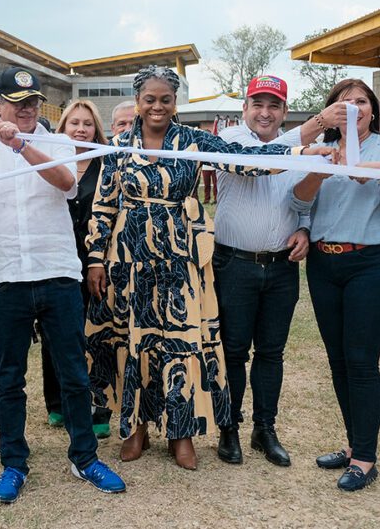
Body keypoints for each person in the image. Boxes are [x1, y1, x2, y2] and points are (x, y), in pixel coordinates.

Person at [83, 66, 334, 471]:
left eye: (166, 99)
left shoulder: (193, 140)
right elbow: (104, 204)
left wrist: (299, 154)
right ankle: (137, 427)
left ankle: (180, 433)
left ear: (175, 102)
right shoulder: (118, 145)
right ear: (138, 102)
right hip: (130, 259)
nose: (158, 106)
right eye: (150, 99)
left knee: (181, 343)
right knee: (135, 342)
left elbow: (244, 160)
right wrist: (96, 257)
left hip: (179, 259)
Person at [0, 66, 127, 504]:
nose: (26, 109)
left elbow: (66, 182)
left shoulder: (58, 143)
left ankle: (85, 457)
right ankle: (14, 463)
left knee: (74, 374)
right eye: (16, 104)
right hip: (6, 278)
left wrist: (20, 145)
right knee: (9, 378)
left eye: (32, 102)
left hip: (57, 273)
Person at [291, 78, 380, 491]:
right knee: (338, 360)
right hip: (324, 263)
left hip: (374, 261)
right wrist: (318, 173)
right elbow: (298, 203)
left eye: (361, 101)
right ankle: (352, 445)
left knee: (361, 360)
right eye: (344, 102)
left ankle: (365, 458)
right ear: (331, 110)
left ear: (373, 109)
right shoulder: (319, 148)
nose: (353, 108)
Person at [212, 75, 345, 467]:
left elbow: (301, 198)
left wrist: (303, 227)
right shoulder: (232, 139)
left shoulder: (298, 150)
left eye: (274, 106)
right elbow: (261, 159)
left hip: (281, 267)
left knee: (271, 351)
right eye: (258, 104)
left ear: (285, 112)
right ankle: (229, 428)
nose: (265, 113)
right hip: (235, 264)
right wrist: (319, 123)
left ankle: (264, 428)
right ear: (244, 109)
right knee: (233, 351)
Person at [55, 99, 112, 439]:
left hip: (96, 260)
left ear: (96, 130)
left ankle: (101, 405)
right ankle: (59, 402)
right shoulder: (50, 160)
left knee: (98, 332)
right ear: (62, 128)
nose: (80, 129)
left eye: (87, 124)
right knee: (61, 333)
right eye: (73, 123)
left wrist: (98, 258)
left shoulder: (106, 164)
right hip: (59, 259)